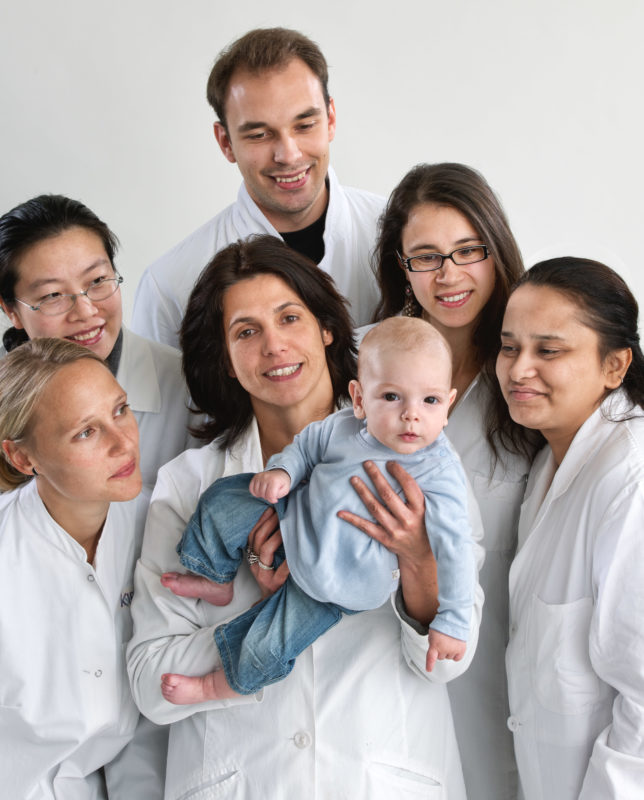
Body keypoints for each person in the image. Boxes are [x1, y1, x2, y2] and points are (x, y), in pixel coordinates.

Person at [127, 235, 484, 799]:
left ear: (325, 328)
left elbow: (448, 661)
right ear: (225, 355)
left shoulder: (424, 461)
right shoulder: (190, 482)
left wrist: (415, 557)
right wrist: (266, 620)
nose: (273, 345)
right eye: (246, 331)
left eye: (289, 317)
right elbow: (150, 683)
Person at [161, 316, 475, 704]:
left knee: (271, 643)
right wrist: (282, 471)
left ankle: (216, 686)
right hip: (296, 519)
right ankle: (216, 576)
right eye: (392, 397)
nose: (412, 414)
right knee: (226, 496)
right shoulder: (342, 426)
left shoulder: (439, 471)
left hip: (337, 583)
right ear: (359, 398)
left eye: (430, 400)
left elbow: (456, 551)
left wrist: (453, 622)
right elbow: (307, 448)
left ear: (448, 404)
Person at [373, 162, 537, 800]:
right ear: (402, 267)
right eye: (427, 256)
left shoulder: (529, 378)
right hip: (380, 664)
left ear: (496, 250)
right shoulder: (364, 362)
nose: (450, 274)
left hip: (497, 671)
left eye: (469, 250)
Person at [130, 27, 385, 347]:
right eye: (259, 135)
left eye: (305, 125)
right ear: (225, 142)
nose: (288, 155)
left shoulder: (400, 236)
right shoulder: (170, 288)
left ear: (331, 119)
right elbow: (152, 398)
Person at [496, 257, 644, 800]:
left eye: (549, 350)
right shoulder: (547, 463)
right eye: (509, 347)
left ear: (615, 366)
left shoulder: (631, 480)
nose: (518, 369)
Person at [0, 338, 165, 799]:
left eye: (120, 410)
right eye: (85, 432)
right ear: (22, 458)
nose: (123, 442)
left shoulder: (161, 523)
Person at [0, 194, 196, 501]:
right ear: (11, 311)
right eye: (52, 296)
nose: (86, 311)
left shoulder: (188, 387)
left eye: (98, 280)